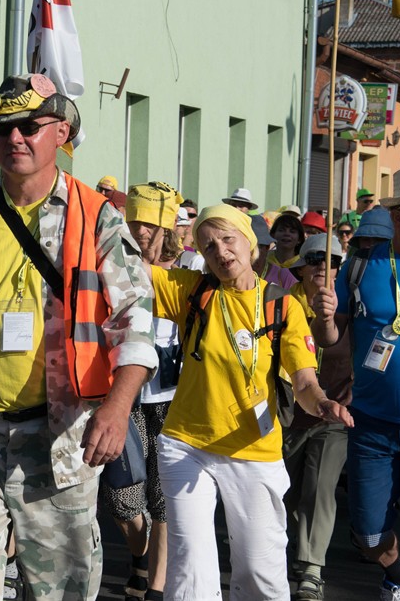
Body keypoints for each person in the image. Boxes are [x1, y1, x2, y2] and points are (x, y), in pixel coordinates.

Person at [0, 73, 157, 599]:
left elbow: (135, 322)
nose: (14, 138)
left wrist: (114, 410)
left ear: (61, 133)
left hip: (59, 438)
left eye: (28, 126)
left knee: (63, 591)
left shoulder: (97, 217)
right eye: (3, 129)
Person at [149, 204, 352, 599]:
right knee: (190, 566)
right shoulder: (193, 290)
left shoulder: (283, 305)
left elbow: (305, 381)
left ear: (250, 243)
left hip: (254, 450)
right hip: (186, 445)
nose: (220, 252)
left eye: (228, 239)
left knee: (261, 572)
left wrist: (322, 402)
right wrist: (150, 226)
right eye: (208, 247)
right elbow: (131, 272)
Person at [312, 168, 400, 600]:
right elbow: (330, 340)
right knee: (366, 534)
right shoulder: (362, 265)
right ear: (398, 217)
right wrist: (323, 315)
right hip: (372, 424)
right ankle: (398, 573)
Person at [100, 182, 189, 601]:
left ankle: (155, 586)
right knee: (122, 499)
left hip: (172, 396)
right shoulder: (112, 264)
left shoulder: (190, 271)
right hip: (125, 393)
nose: (140, 230)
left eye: (150, 224)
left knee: (162, 496)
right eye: (133, 221)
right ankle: (142, 555)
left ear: (168, 228)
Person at [283, 234, 353, 601]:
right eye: (313, 260)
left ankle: (311, 569)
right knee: (290, 495)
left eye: (331, 262)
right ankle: (303, 547)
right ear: (300, 268)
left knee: (320, 488)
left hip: (334, 414)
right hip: (289, 417)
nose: (323, 268)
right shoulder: (282, 304)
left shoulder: (353, 303)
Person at [250, 215, 298, 289]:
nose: (254, 253)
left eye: (259, 247)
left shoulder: (284, 277)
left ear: (267, 247)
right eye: (250, 247)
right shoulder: (230, 274)